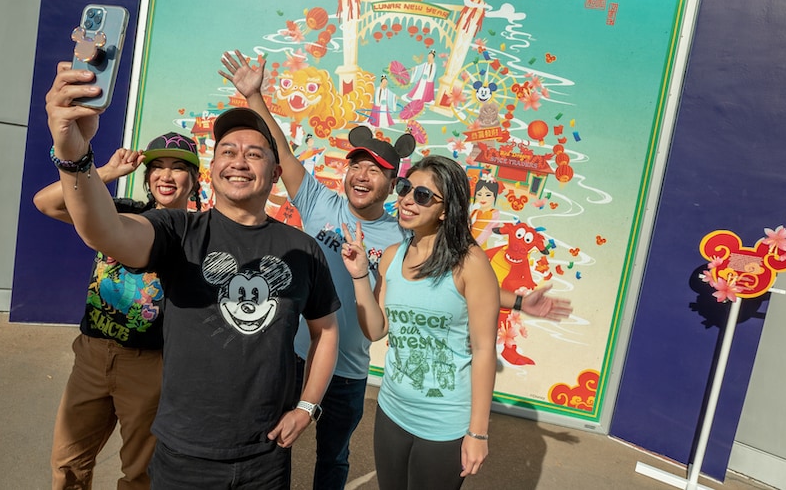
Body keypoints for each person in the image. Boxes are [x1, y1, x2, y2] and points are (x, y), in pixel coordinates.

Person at [219, 50, 573, 489]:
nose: (362, 176)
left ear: (392, 184)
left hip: (348, 369)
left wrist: (518, 301)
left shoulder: (402, 237)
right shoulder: (317, 202)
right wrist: (255, 96)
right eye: (356, 166)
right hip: (292, 357)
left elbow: (449, 280)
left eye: (378, 171)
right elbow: (281, 150)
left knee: (332, 460)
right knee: (273, 448)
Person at [44, 61, 340, 489]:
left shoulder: (302, 249)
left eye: (255, 153)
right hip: (184, 456)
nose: (240, 161)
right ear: (212, 170)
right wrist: (75, 156)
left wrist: (307, 407)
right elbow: (104, 231)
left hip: (267, 456)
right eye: (228, 152)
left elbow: (326, 331)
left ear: (275, 174)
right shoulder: (177, 230)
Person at [34, 131, 200, 490]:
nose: (166, 176)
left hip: (151, 364)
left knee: (140, 473)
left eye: (178, 168)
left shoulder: (199, 233)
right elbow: (47, 203)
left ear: (195, 179)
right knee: (67, 464)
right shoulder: (120, 211)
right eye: (157, 167)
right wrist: (106, 172)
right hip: (93, 354)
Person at [339, 155, 498, 489]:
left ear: (445, 209)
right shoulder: (393, 256)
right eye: (405, 188)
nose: (408, 199)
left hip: (444, 424)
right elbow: (377, 329)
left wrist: (478, 432)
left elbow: (484, 350)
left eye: (422, 195)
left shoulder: (471, 264)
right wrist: (358, 277)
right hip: (392, 411)